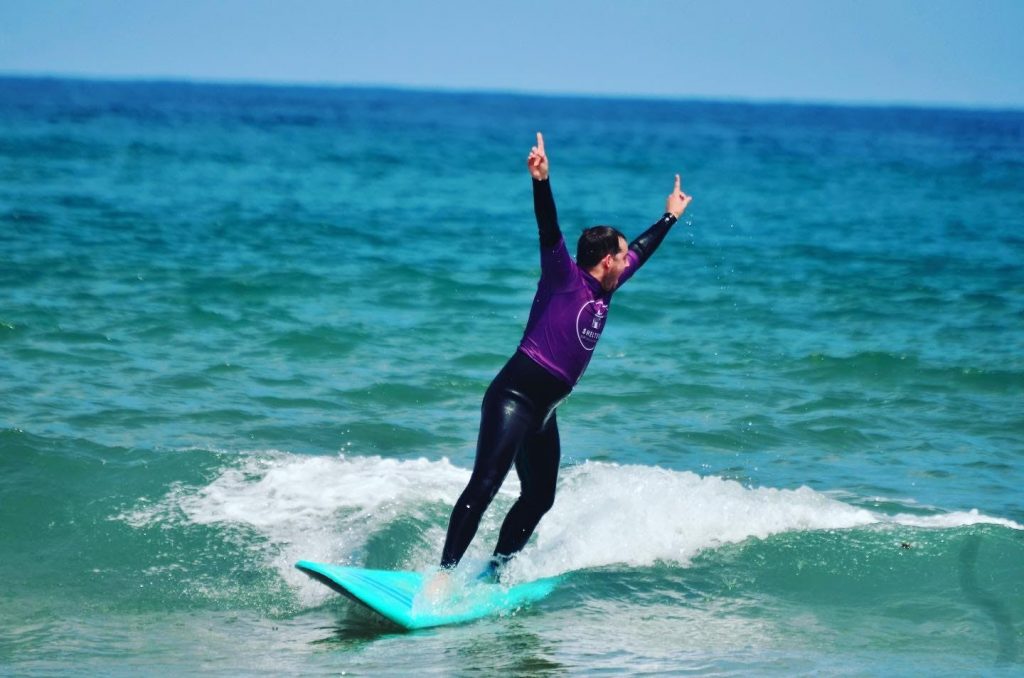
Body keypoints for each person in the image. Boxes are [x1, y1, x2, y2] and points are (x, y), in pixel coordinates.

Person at [439, 132, 692, 579]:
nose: (628, 258)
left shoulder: (607, 286)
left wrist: (669, 215)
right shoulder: (564, 277)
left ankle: (492, 573)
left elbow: (642, 250)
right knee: (485, 484)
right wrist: (541, 180)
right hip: (513, 397)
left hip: (544, 413)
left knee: (539, 498)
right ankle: (442, 578)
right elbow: (548, 225)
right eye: (622, 253)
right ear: (606, 260)